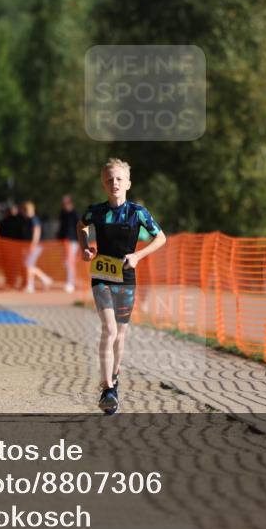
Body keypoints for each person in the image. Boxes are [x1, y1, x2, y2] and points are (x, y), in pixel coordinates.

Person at [78, 158, 167, 415]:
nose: (114, 183)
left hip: (126, 278)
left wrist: (138, 256)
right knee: (109, 329)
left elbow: (160, 237)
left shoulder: (138, 212)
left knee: (121, 334)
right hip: (102, 277)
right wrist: (85, 246)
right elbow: (81, 225)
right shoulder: (95, 211)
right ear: (103, 184)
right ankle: (106, 388)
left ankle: (114, 380)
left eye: (118, 179)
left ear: (128, 183)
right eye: (109, 179)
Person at [21, 201, 53, 293]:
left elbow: (36, 232)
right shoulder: (29, 220)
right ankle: (44, 280)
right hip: (33, 245)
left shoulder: (33, 219)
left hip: (36, 245)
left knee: (28, 265)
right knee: (29, 265)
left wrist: (33, 245)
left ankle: (32, 285)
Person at [57, 194, 80, 292]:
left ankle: (70, 283)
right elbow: (61, 227)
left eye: (66, 203)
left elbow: (81, 228)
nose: (64, 205)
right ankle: (71, 281)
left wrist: (81, 242)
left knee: (69, 262)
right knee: (66, 262)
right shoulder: (62, 213)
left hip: (73, 241)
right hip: (64, 241)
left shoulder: (75, 214)